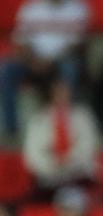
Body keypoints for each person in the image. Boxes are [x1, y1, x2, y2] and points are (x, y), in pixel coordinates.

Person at [0, 0, 89, 137]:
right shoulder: (31, 8)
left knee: (70, 68)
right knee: (7, 70)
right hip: (32, 61)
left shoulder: (77, 8)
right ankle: (11, 130)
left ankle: (67, 128)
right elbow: (20, 42)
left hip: (61, 61)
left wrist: (52, 60)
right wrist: (33, 60)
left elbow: (79, 44)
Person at [22, 72, 100, 200]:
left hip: (79, 177)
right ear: (50, 94)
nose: (62, 95)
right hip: (48, 179)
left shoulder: (84, 116)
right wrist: (53, 164)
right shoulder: (38, 120)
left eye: (65, 91)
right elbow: (32, 155)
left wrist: (68, 160)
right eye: (58, 92)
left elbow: (89, 147)